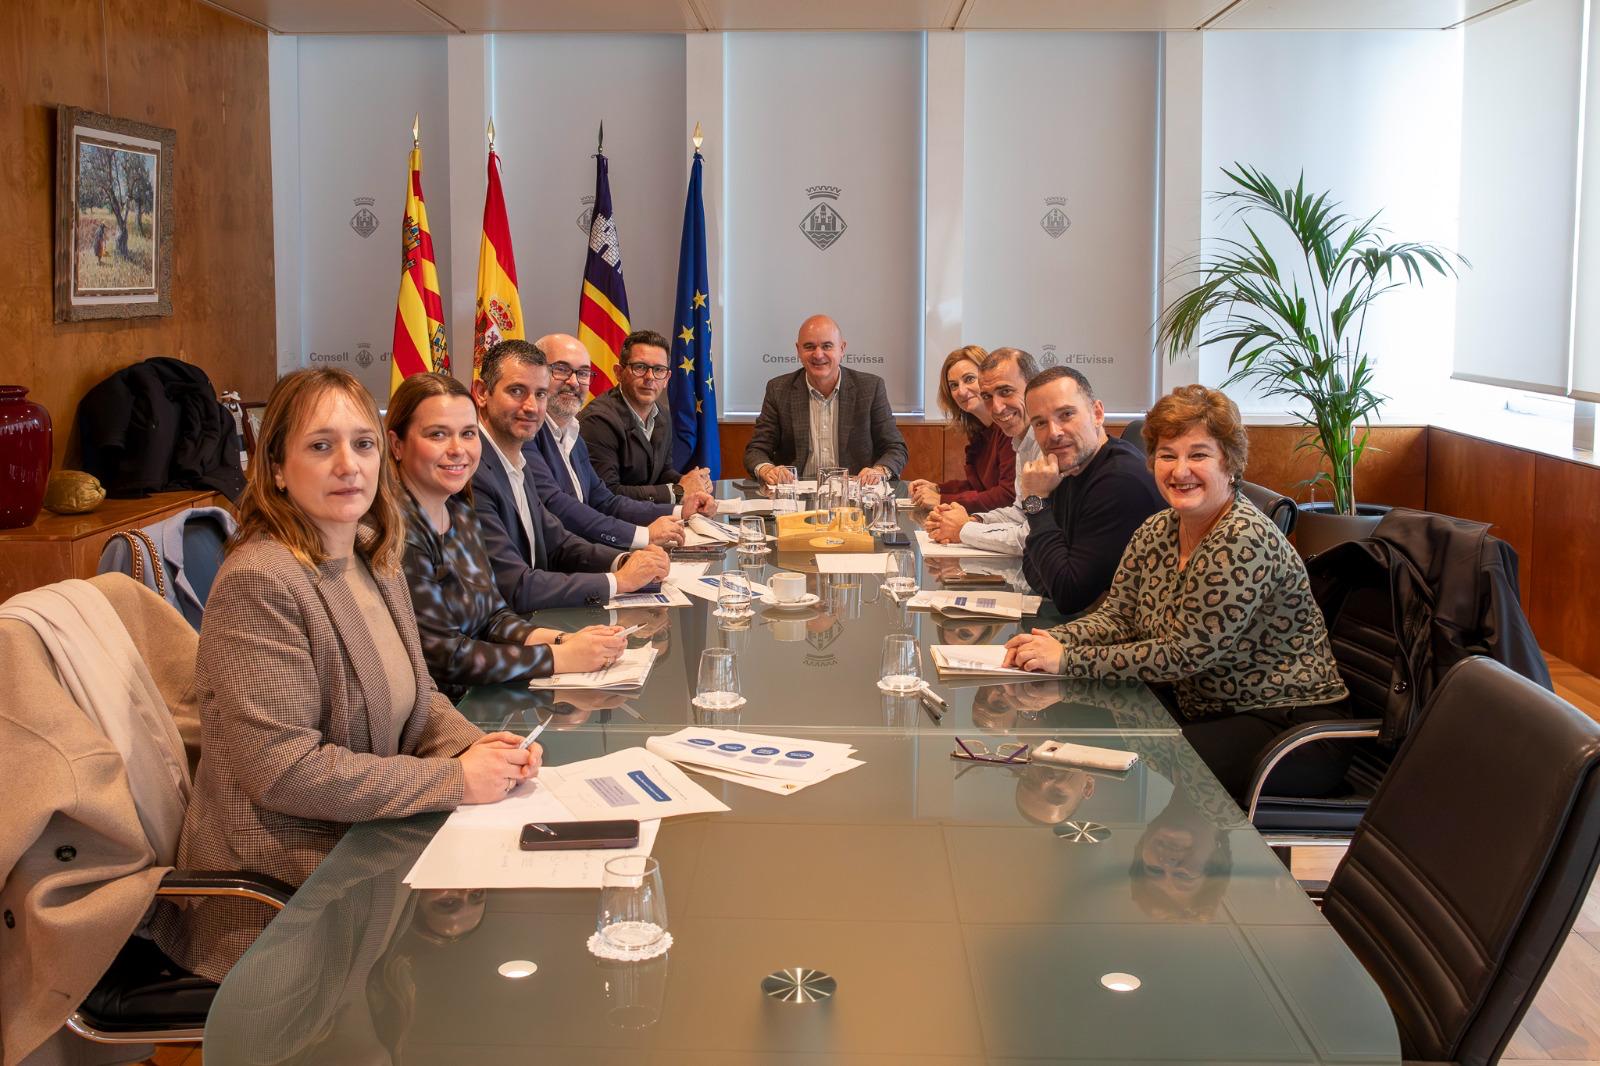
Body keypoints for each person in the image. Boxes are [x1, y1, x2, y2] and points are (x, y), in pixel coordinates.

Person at [149, 368, 539, 983]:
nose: (349, 466)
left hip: (367, 859)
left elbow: (419, 697)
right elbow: (285, 772)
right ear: (276, 465)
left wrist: (472, 743)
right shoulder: (262, 579)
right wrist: (453, 778)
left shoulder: (369, 551)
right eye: (320, 446)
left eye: (362, 444)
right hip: (287, 902)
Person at [1003, 384, 1350, 804]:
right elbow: (1118, 617)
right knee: (1103, 729)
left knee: (1150, 751)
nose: (1179, 470)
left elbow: (1186, 653)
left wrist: (1069, 659)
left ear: (1230, 463)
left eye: (1198, 455)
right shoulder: (1157, 530)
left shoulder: (1242, 537)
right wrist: (1057, 639)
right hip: (1205, 705)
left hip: (1286, 726)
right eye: (1168, 455)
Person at [385, 372, 625, 698]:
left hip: (488, 697)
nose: (458, 449)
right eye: (438, 434)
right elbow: (446, 658)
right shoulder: (399, 533)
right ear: (397, 444)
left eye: (468, 434)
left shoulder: (459, 509)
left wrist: (561, 639)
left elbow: (494, 617)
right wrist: (559, 656)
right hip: (441, 717)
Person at [470, 339, 670, 612]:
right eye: (517, 391)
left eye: (540, 394)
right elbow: (515, 586)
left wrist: (623, 560)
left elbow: (558, 542)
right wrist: (617, 581)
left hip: (540, 609)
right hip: (508, 627)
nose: (531, 406)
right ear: (482, 392)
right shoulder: (472, 471)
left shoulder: (517, 461)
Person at [530, 332, 715, 551]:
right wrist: (674, 495)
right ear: (619, 372)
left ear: (667, 378)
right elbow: (568, 507)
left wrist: (685, 502)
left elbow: (604, 500)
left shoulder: (572, 432)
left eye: (583, 373)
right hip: (573, 554)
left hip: (587, 548)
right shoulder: (536, 434)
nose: (573, 381)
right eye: (560, 370)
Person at [744, 314, 908, 486]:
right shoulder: (778, 389)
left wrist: (878, 471)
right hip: (795, 498)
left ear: (842, 348)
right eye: (809, 347)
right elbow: (756, 450)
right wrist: (767, 470)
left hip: (854, 498)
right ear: (798, 350)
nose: (818, 354)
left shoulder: (870, 388)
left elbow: (895, 448)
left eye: (827, 346)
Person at [924, 347, 1046, 556]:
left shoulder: (1049, 444)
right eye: (988, 396)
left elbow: (1033, 536)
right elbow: (1019, 512)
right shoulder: (1020, 439)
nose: (997, 408)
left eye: (1006, 391)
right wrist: (974, 520)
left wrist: (963, 529)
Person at [579, 329, 713, 505]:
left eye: (659, 370)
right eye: (640, 367)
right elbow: (608, 493)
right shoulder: (597, 420)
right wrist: (678, 490)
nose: (650, 377)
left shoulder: (662, 414)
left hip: (649, 517)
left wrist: (693, 483)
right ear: (619, 372)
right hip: (613, 524)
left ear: (666, 378)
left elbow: (661, 473)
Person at [907, 345, 1014, 511]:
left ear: (987, 378)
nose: (961, 391)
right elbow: (978, 487)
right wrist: (938, 488)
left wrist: (942, 499)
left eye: (969, 379)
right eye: (954, 385)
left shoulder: (1008, 427)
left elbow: (1007, 495)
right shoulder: (980, 430)